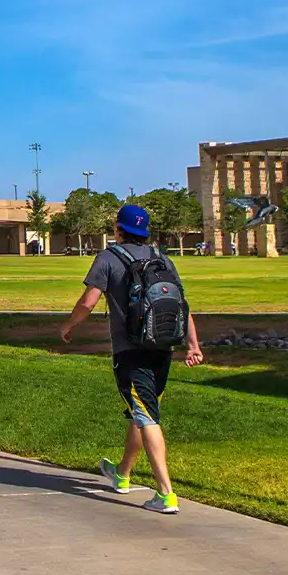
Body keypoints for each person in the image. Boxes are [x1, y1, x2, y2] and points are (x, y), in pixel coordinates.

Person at [58, 203, 203, 515]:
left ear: (117, 229)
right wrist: (193, 344)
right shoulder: (162, 259)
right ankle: (122, 473)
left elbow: (89, 300)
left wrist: (69, 325)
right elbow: (182, 305)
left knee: (147, 416)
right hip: (163, 348)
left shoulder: (108, 258)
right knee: (142, 410)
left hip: (131, 351)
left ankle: (165, 493)